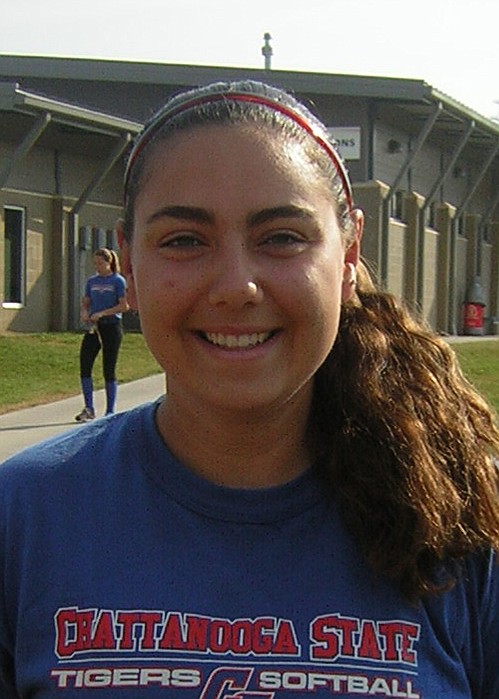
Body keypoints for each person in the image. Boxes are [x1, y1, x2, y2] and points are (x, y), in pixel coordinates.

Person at [0, 80, 498, 699]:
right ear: (128, 258)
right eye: (184, 240)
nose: (237, 286)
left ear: (348, 255)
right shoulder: (21, 516)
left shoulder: (466, 518)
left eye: (281, 237)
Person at [75, 247, 129, 421]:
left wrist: (104, 313)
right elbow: (86, 302)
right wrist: (84, 312)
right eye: (95, 263)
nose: (97, 266)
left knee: (109, 368)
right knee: (85, 364)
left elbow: (124, 306)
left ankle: (110, 411)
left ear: (109, 262)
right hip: (94, 327)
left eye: (100, 263)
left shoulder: (118, 281)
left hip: (111, 327)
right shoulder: (92, 281)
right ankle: (88, 407)